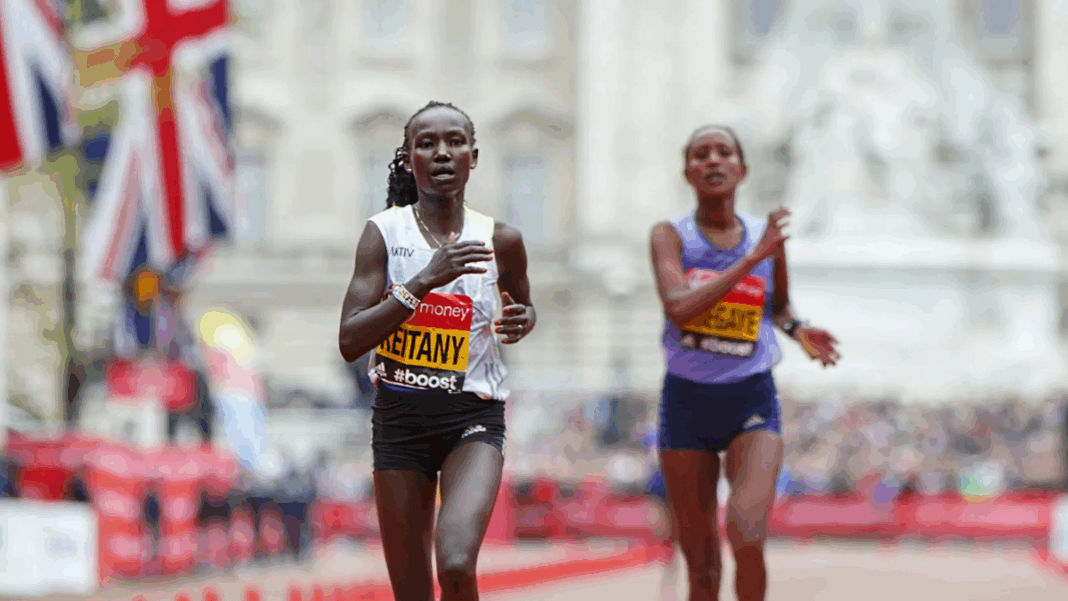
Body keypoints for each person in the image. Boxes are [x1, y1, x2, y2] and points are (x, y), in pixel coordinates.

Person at [339, 101, 536, 601]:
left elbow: (523, 306)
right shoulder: (383, 233)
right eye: (426, 144)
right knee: (411, 591)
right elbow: (350, 340)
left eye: (454, 142)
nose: (442, 153)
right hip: (399, 422)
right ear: (409, 159)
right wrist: (424, 281)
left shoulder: (502, 240)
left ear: (474, 155)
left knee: (453, 562)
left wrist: (523, 319)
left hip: (472, 418)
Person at [649, 125, 840, 601]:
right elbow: (679, 305)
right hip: (686, 402)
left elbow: (778, 307)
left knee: (747, 537)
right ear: (688, 172)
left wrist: (800, 331)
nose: (713, 160)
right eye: (700, 154)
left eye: (724, 152)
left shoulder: (764, 237)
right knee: (702, 566)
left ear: (742, 169)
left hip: (750, 398)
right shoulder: (670, 236)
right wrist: (753, 257)